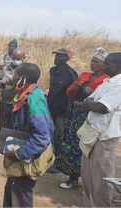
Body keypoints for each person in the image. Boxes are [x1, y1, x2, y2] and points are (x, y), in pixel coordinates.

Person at [54, 47, 109, 189]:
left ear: (104, 64)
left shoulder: (107, 81)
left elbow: (104, 101)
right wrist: (75, 88)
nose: (92, 64)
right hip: (75, 114)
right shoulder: (84, 75)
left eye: (96, 61)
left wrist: (90, 91)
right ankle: (72, 178)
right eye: (92, 61)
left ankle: (88, 183)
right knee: (71, 144)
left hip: (90, 116)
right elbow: (69, 92)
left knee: (87, 147)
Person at [3, 63, 54, 207]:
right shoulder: (25, 94)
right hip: (21, 155)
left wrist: (19, 154)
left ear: (23, 79)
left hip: (27, 157)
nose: (13, 78)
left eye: (16, 76)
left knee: (20, 195)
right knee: (12, 190)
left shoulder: (34, 99)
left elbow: (42, 136)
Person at [80, 52, 121, 207]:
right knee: (87, 176)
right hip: (92, 133)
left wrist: (93, 105)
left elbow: (99, 106)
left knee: (101, 178)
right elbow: (87, 101)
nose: (104, 66)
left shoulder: (119, 84)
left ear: (119, 66)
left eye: (108, 63)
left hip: (105, 137)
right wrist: (93, 105)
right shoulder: (107, 82)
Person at [47, 48, 78, 173]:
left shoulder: (71, 74)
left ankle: (57, 162)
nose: (57, 58)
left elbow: (74, 93)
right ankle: (48, 160)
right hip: (51, 106)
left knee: (59, 136)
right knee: (49, 133)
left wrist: (69, 111)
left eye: (60, 56)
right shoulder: (52, 70)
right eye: (56, 55)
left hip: (63, 109)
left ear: (67, 59)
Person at [0, 47, 25, 132]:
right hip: (5, 102)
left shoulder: (26, 70)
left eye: (18, 58)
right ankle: (2, 144)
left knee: (15, 127)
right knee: (3, 126)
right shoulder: (6, 69)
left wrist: (17, 84)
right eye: (14, 58)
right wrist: (2, 82)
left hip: (18, 103)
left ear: (24, 58)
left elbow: (29, 87)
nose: (15, 60)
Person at [0, 39, 18, 125]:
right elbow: (0, 66)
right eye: (10, 46)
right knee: (1, 98)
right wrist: (10, 67)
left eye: (13, 46)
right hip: (4, 79)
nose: (11, 48)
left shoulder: (16, 58)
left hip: (13, 82)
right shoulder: (4, 56)